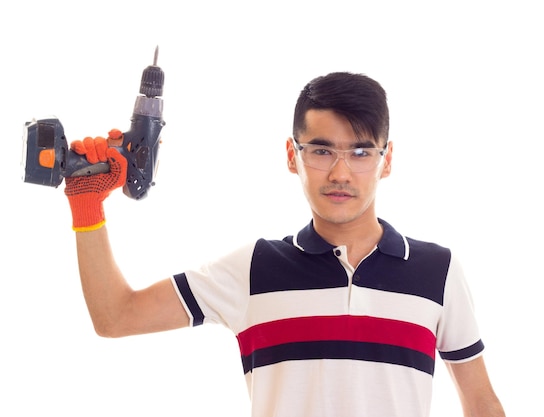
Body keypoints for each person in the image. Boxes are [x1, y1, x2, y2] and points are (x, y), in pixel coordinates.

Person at [64, 72, 506, 417]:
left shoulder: (437, 271)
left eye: (360, 152)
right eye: (321, 150)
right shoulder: (255, 268)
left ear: (386, 160)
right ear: (293, 156)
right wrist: (87, 206)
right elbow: (116, 316)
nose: (339, 173)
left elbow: (482, 405)